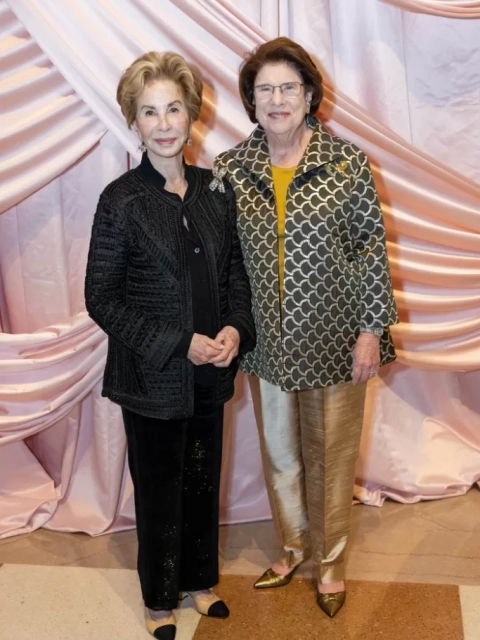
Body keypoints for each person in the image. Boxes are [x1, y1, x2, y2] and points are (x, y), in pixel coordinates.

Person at [215, 37, 398, 618]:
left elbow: (369, 249)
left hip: (337, 340)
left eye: (288, 87)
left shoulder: (347, 163)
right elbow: (221, 259)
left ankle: (332, 562)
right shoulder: (231, 169)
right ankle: (293, 547)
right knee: (281, 457)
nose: (277, 99)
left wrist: (371, 330)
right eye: (264, 89)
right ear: (250, 100)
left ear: (310, 94)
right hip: (266, 343)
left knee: (332, 458)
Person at [85, 51, 255, 640]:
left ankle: (199, 582)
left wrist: (235, 329)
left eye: (173, 109)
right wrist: (180, 343)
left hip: (212, 373)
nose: (163, 124)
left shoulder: (215, 191)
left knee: (203, 482)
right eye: (150, 111)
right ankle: (159, 599)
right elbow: (101, 298)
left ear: (192, 115)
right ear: (134, 121)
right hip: (153, 378)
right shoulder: (121, 200)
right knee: (160, 491)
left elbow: (235, 277)